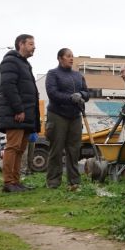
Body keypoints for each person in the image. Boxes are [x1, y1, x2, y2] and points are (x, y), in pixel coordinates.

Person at [0, 34, 40, 193]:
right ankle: (8, 182)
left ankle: (15, 181)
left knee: (20, 149)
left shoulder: (24, 64)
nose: (34, 47)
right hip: (16, 114)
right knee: (13, 147)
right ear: (21, 44)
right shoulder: (10, 61)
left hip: (26, 115)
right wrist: (18, 109)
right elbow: (8, 86)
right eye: (31, 44)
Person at [45, 48, 89, 191]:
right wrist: (70, 98)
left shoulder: (78, 75)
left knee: (74, 150)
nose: (71, 59)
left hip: (75, 117)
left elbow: (87, 93)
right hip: (57, 115)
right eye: (68, 56)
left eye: (72, 56)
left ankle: (74, 181)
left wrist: (81, 94)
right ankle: (53, 182)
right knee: (56, 150)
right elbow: (52, 93)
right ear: (60, 58)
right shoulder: (53, 74)